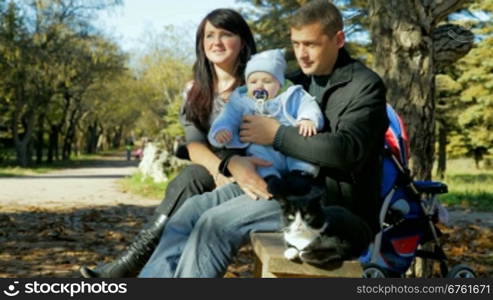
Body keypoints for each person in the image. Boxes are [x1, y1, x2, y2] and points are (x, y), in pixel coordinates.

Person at [138, 0, 389, 278]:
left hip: (324, 204)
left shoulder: (364, 86)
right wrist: (234, 161)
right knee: (192, 210)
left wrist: (277, 135)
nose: (302, 54)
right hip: (274, 181)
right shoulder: (291, 81)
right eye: (296, 44)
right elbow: (242, 119)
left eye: (311, 44)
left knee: (215, 224)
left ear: (338, 39)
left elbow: (347, 151)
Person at [79, 8, 257, 278]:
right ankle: (138, 263)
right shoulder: (195, 89)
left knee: (190, 179)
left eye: (226, 34)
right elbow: (195, 145)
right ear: (201, 43)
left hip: (254, 172)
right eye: (209, 35)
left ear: (242, 40)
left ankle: (131, 264)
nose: (216, 42)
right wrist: (222, 170)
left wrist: (235, 171)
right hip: (216, 172)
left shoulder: (260, 84)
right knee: (191, 176)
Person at [208, 48, 325, 198]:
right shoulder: (241, 101)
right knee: (258, 155)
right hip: (262, 148)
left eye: (267, 81)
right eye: (253, 81)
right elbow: (228, 117)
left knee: (303, 153)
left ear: (279, 82)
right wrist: (222, 129)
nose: (259, 86)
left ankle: (300, 175)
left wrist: (307, 119)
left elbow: (308, 105)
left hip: (291, 144)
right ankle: (270, 179)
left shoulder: (291, 94)